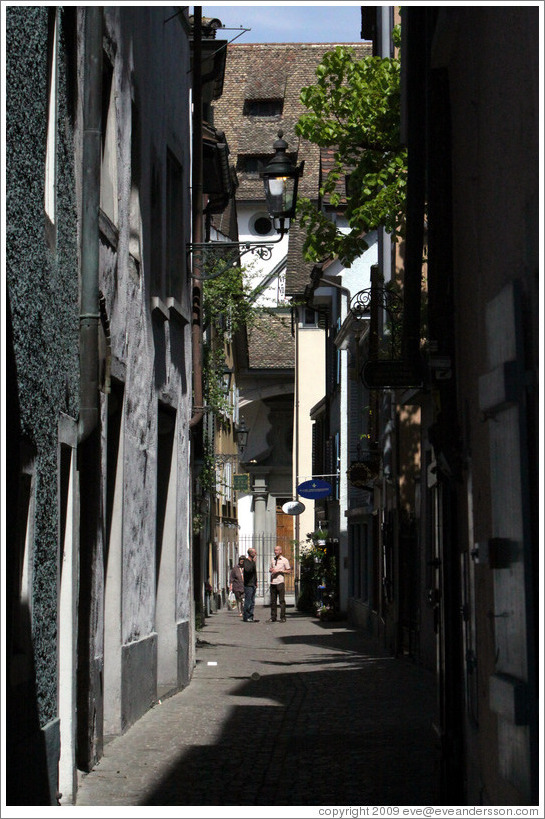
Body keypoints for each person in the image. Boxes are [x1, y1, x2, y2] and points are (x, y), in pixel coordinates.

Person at [267, 544, 291, 622]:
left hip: (280, 582)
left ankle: (283, 617)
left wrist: (280, 571)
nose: (275, 552)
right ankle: (273, 617)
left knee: (281, 601)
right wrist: (271, 570)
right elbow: (271, 568)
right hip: (273, 582)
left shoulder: (284, 560)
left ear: (280, 551)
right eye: (274, 550)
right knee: (273, 601)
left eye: (277, 550)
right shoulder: (272, 559)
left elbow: (289, 571)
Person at [242, 547, 259, 622]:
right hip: (248, 584)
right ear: (251, 553)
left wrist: (256, 582)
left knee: (252, 602)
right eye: (254, 553)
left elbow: (254, 573)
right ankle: (246, 616)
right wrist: (253, 562)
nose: (256, 554)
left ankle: (251, 616)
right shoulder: (246, 561)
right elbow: (248, 570)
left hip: (253, 584)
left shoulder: (252, 562)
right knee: (248, 601)